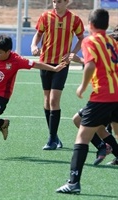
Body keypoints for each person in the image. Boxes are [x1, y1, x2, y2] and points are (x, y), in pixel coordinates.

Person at [0, 34, 67, 158]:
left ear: (8, 51)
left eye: (0, 53)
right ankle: (2, 123)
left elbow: (36, 64)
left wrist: (54, 69)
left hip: (2, 94)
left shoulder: (17, 60)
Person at [56, 8, 118, 194]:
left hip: (102, 96)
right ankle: (105, 149)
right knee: (109, 129)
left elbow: (90, 64)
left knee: (82, 136)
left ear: (89, 25)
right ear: (107, 25)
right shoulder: (112, 42)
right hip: (116, 94)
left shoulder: (90, 40)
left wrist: (82, 86)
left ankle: (73, 183)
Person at [30, 0, 85, 150]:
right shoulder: (45, 16)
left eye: (59, 1)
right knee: (47, 100)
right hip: (45, 62)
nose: (56, 4)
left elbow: (81, 38)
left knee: (54, 100)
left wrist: (73, 53)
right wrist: (34, 45)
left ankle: (52, 139)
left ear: (67, 2)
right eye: (54, 1)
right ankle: (54, 137)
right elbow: (38, 34)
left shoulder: (74, 19)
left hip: (61, 63)